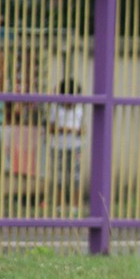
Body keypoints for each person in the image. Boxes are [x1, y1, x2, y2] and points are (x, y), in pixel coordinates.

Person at [46, 78, 85, 214]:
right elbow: (50, 128)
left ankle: (75, 207)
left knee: (76, 177)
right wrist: (65, 129)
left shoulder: (80, 108)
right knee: (59, 177)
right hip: (58, 147)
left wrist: (79, 131)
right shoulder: (55, 107)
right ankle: (58, 206)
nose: (72, 102)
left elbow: (83, 128)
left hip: (76, 147)